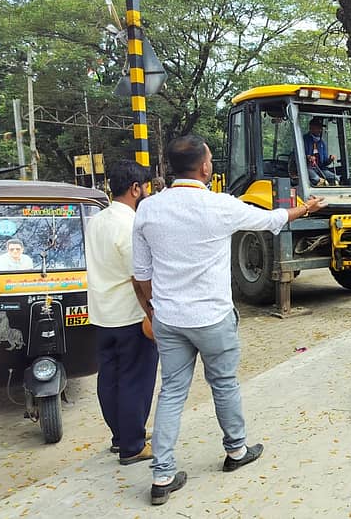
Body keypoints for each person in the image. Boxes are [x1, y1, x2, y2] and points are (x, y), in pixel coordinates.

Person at [133, 134, 327, 506]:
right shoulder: (219, 205)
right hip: (212, 317)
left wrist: (153, 313)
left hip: (169, 318)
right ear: (205, 167)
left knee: (172, 392)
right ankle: (236, 451)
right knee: (223, 385)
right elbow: (271, 220)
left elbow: (141, 274)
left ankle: (162, 476)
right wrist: (306, 209)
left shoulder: (148, 209)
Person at [85, 160, 158, 467]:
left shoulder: (96, 220)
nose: (146, 193)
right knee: (135, 380)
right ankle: (132, 445)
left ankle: (121, 436)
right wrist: (153, 312)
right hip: (130, 316)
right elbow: (138, 277)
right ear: (135, 189)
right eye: (145, 187)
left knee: (110, 378)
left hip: (102, 314)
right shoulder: (129, 225)